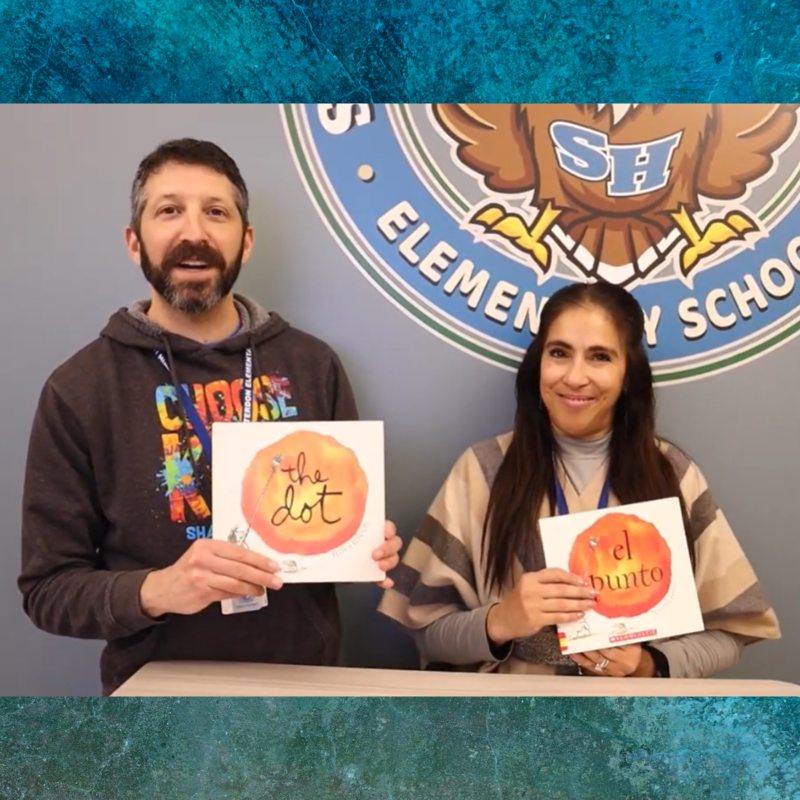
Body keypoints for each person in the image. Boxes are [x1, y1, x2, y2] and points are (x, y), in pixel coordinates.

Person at [18, 138, 401, 696]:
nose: (193, 233)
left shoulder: (313, 365)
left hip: (306, 692)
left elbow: (336, 529)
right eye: (169, 210)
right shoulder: (78, 389)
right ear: (134, 241)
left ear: (244, 243)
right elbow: (47, 590)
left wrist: (361, 543)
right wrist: (161, 589)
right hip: (156, 705)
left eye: (215, 213)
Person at [379, 281, 779, 678]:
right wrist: (501, 621)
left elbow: (731, 631)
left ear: (628, 373)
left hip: (635, 731)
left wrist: (647, 665)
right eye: (559, 353)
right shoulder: (482, 471)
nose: (574, 377)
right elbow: (425, 631)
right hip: (506, 728)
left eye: (600, 357)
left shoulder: (672, 474)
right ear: (538, 363)